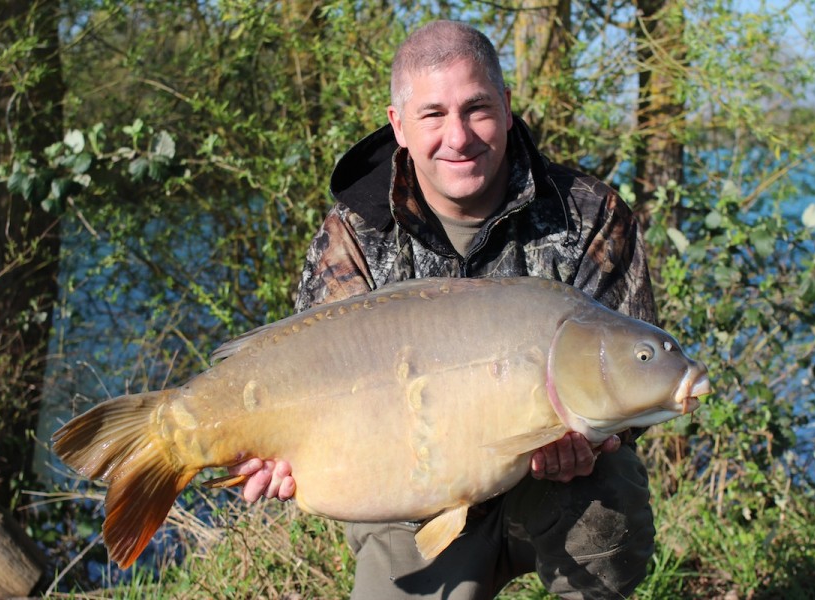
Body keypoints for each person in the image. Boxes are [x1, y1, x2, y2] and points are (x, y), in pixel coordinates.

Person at [229, 20, 658, 599]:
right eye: (432, 115)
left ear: (507, 108)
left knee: (610, 496)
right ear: (398, 125)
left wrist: (594, 443)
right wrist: (278, 450)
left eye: (476, 109)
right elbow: (313, 389)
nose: (457, 137)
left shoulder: (588, 215)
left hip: (555, 487)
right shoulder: (355, 232)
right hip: (412, 494)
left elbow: (628, 385)